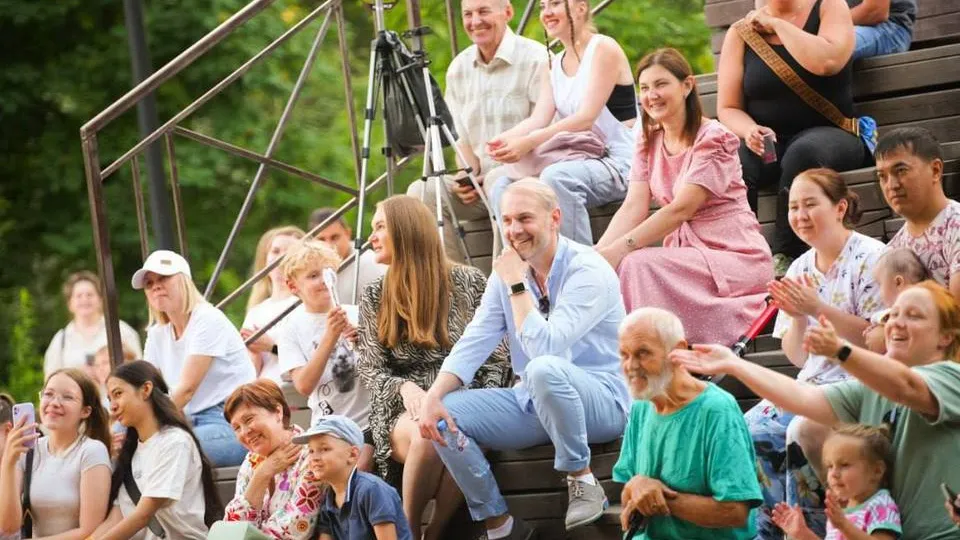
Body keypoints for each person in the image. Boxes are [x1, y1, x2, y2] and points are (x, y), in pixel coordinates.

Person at [418, 180, 629, 538]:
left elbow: (546, 348)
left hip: (602, 401)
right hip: (533, 399)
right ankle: (500, 525)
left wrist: (517, 285)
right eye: (507, 220)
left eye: (525, 218)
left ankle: (580, 477)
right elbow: (476, 338)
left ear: (555, 218)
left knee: (542, 368)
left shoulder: (588, 270)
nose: (514, 231)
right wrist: (433, 397)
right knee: (443, 417)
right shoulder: (507, 275)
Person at [672, 280, 960, 539]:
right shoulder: (872, 388)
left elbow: (906, 386)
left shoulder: (951, 377)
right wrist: (735, 365)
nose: (896, 323)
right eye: (892, 314)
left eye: (914, 316)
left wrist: (840, 350)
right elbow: (801, 397)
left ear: (946, 336)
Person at [356, 195, 511, 539]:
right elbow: (369, 368)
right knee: (430, 429)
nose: (372, 238)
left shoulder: (469, 281)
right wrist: (406, 389)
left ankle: (434, 532)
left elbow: (498, 356)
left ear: (407, 230)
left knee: (453, 426)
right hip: (400, 406)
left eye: (380, 227)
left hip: (462, 398)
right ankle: (408, 529)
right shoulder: (373, 294)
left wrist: (476, 402)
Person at [596, 47, 773, 345]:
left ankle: (656, 355)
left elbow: (681, 209)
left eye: (661, 84)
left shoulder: (713, 138)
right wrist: (598, 254)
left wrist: (621, 249)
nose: (652, 95)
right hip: (686, 254)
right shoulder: (647, 138)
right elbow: (633, 206)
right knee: (607, 268)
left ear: (687, 85)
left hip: (733, 254)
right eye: (645, 88)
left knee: (636, 263)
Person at [749, 167, 886, 537]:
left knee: (797, 431)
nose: (800, 216)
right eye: (793, 207)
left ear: (840, 208)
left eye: (811, 204)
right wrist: (795, 317)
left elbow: (880, 340)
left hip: (860, 382)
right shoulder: (799, 266)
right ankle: (769, 532)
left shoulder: (873, 257)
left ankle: (810, 530)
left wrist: (815, 308)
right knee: (748, 429)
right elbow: (798, 358)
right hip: (811, 383)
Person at [718, 0, 869, 276]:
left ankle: (786, 256)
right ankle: (740, 253)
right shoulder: (742, 33)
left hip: (832, 134)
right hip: (771, 142)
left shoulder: (830, 6)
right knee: (736, 161)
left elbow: (826, 62)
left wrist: (777, 24)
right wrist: (749, 129)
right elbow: (728, 107)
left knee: (802, 154)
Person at [485, 0, 637, 246]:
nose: (546, 13)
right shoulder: (552, 64)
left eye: (555, 3)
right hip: (581, 158)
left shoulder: (603, 48)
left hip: (621, 162)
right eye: (542, 6)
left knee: (557, 178)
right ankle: (523, 275)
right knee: (503, 184)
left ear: (581, 7)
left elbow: (586, 118)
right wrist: (503, 140)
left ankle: (578, 270)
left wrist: (530, 142)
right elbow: (538, 118)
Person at [405, 0, 546, 263]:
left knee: (498, 183)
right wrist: (465, 176)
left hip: (529, 177)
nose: (474, 21)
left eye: (483, 12)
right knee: (420, 192)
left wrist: (499, 172)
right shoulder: (458, 69)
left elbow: (546, 128)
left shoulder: (536, 58)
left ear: (508, 12)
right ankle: (458, 285)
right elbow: (461, 140)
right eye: (467, 14)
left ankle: (507, 285)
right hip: (482, 181)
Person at [614, 308, 762, 540]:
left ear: (678, 351)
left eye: (643, 353)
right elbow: (629, 491)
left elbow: (735, 512)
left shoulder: (716, 409)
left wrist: (664, 499)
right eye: (624, 355)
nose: (631, 366)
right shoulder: (642, 405)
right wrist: (636, 486)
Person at [134, 249, 254, 467]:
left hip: (231, 421)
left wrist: (146, 426)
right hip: (186, 422)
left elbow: (187, 390)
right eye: (149, 283)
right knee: (117, 438)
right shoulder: (157, 332)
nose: (156, 286)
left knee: (167, 451)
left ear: (184, 281)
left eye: (164, 278)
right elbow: (147, 388)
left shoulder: (207, 318)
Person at [93, 361, 220, 539]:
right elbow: (116, 519)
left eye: (118, 394)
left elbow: (142, 516)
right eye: (109, 399)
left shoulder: (175, 442)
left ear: (146, 389)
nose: (112, 406)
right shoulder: (130, 452)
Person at [276, 240, 374, 471]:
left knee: (359, 465)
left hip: (370, 419)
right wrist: (330, 336)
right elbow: (303, 385)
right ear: (293, 287)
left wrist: (365, 343)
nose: (323, 280)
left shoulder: (360, 313)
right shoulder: (291, 328)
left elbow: (384, 368)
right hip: (329, 425)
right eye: (312, 276)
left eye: (327, 272)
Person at [0, 369, 112, 539]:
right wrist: (8, 462)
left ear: (86, 411)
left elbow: (89, 531)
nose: (54, 403)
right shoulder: (27, 450)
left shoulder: (92, 451)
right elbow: (8, 526)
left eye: (67, 397)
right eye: (48, 394)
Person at [223, 380, 324, 539]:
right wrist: (262, 474)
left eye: (249, 420)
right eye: (236, 428)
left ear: (278, 412)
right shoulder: (251, 461)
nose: (244, 432)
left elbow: (292, 531)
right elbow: (231, 532)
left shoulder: (310, 456)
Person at [771, 424, 901, 540]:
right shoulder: (841, 511)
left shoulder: (880, 505)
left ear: (877, 471)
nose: (834, 474)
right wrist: (802, 533)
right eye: (830, 466)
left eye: (844, 465)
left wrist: (844, 526)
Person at [294, 415, 413, 540]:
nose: (314, 457)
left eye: (324, 449)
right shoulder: (329, 498)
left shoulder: (372, 490)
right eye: (311, 451)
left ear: (352, 454)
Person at [875, 128, 960, 300]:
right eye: (882, 176)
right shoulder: (893, 249)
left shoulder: (956, 227)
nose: (891, 185)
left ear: (935, 170)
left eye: (901, 171)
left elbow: (956, 317)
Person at [44, 271, 142, 377]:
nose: (84, 299)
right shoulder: (61, 340)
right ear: (70, 304)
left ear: (101, 300)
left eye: (90, 295)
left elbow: (139, 372)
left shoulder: (121, 331)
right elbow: (50, 381)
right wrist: (78, 376)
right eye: (79, 296)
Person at [242, 225, 306, 383]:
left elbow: (315, 357)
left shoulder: (307, 304)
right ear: (265, 258)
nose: (281, 258)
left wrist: (272, 347)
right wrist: (252, 352)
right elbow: (250, 371)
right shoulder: (256, 311)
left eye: (289, 252)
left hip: (295, 396)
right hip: (263, 394)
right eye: (276, 251)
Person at [308, 209, 385, 303]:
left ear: (348, 234)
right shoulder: (307, 267)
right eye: (321, 239)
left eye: (334, 237)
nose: (329, 245)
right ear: (312, 241)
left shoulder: (371, 263)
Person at [863, 248, 929, 353]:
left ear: (898, 282)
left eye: (880, 284)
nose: (879, 292)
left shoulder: (913, 305)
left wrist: (878, 329)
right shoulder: (930, 300)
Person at [847, 0, 914, 60]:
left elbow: (875, 11)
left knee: (839, 46)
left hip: (890, 28)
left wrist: (838, 23)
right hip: (852, 26)